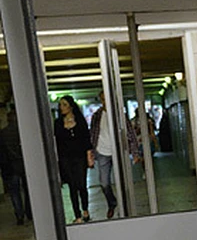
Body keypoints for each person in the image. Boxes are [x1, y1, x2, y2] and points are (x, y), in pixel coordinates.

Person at [90, 90, 140, 219]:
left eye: (106, 99)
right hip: (102, 152)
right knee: (104, 182)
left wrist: (135, 152)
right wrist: (91, 153)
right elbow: (92, 135)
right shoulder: (97, 116)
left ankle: (125, 206)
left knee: (122, 181)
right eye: (102, 99)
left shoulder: (120, 115)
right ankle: (112, 203)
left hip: (118, 152)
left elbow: (130, 134)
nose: (104, 102)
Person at [53, 95, 93, 223]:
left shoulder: (80, 121)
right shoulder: (58, 123)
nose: (62, 107)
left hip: (80, 157)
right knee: (72, 186)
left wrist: (89, 157)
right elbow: (57, 142)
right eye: (60, 105)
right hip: (65, 158)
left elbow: (86, 140)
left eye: (64, 104)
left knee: (81, 184)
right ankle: (77, 215)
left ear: (71, 106)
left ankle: (85, 209)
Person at [0, 105, 31, 226]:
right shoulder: (23, 132)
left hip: (10, 167)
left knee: (15, 192)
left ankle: (19, 215)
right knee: (28, 190)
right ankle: (29, 212)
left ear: (8, 119)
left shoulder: (3, 133)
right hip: (23, 165)